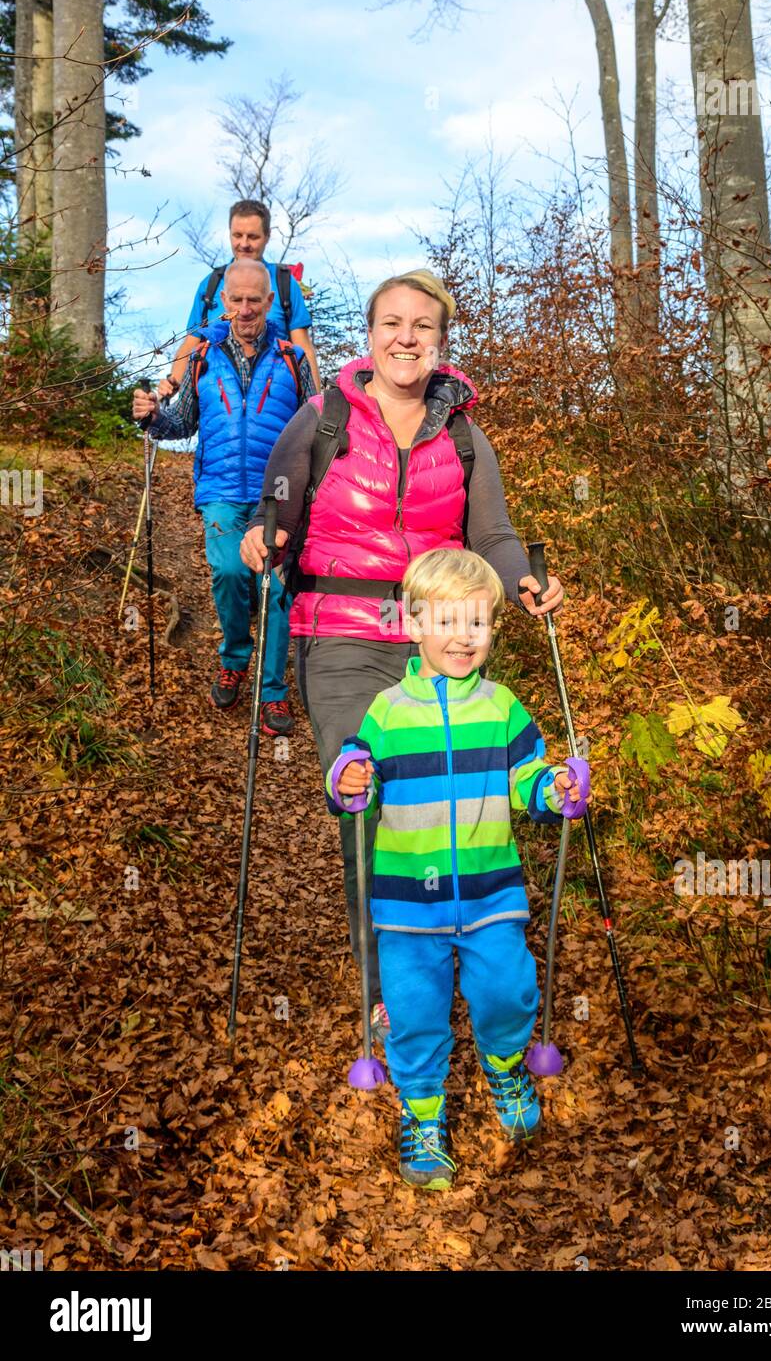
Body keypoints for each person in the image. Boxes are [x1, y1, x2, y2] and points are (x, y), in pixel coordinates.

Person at [239, 268, 564, 1036]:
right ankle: (391, 988)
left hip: (439, 642)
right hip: (342, 639)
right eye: (392, 323)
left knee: (446, 808)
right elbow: (275, 512)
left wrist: (523, 584)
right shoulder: (322, 420)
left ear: (441, 342)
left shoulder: (463, 432)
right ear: (371, 334)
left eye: (423, 325)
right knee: (366, 799)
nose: (406, 337)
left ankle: (462, 952)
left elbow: (492, 537)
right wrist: (263, 541)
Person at [325, 549, 587, 1189]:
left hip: (492, 893)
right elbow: (359, 783)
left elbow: (528, 777)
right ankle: (422, 1117)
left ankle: (503, 1063)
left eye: (477, 623)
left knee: (507, 992)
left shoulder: (503, 708)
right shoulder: (387, 712)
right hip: (409, 910)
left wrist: (552, 788)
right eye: (446, 621)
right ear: (413, 625)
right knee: (415, 1014)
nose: (462, 637)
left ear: (493, 628)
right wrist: (349, 781)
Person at [133, 259, 315, 735]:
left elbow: (319, 426)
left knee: (275, 588)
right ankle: (235, 656)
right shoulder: (203, 357)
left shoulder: (292, 358)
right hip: (219, 490)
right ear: (224, 303)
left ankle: (273, 693)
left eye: (255, 299)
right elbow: (181, 425)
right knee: (231, 571)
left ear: (271, 302)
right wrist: (152, 417)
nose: (246, 308)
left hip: (278, 494)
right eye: (236, 299)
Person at [160, 199, 321, 398]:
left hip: (275, 404)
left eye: (252, 236)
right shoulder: (210, 284)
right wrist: (172, 384)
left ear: (267, 236)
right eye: (237, 235)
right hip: (218, 407)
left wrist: (315, 406)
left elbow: (303, 347)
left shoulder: (284, 283)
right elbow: (191, 343)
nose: (243, 244)